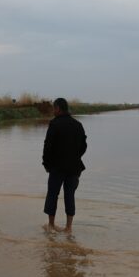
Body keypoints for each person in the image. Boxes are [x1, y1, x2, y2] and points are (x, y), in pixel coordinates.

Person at [42, 98, 87, 233]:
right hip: (74, 168)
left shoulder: (54, 124)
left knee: (52, 194)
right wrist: (75, 157)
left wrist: (46, 163)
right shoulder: (78, 125)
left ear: (58, 109)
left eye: (54, 108)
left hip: (57, 167)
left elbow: (47, 146)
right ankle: (68, 227)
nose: (53, 111)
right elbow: (84, 146)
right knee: (70, 195)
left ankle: (51, 225)